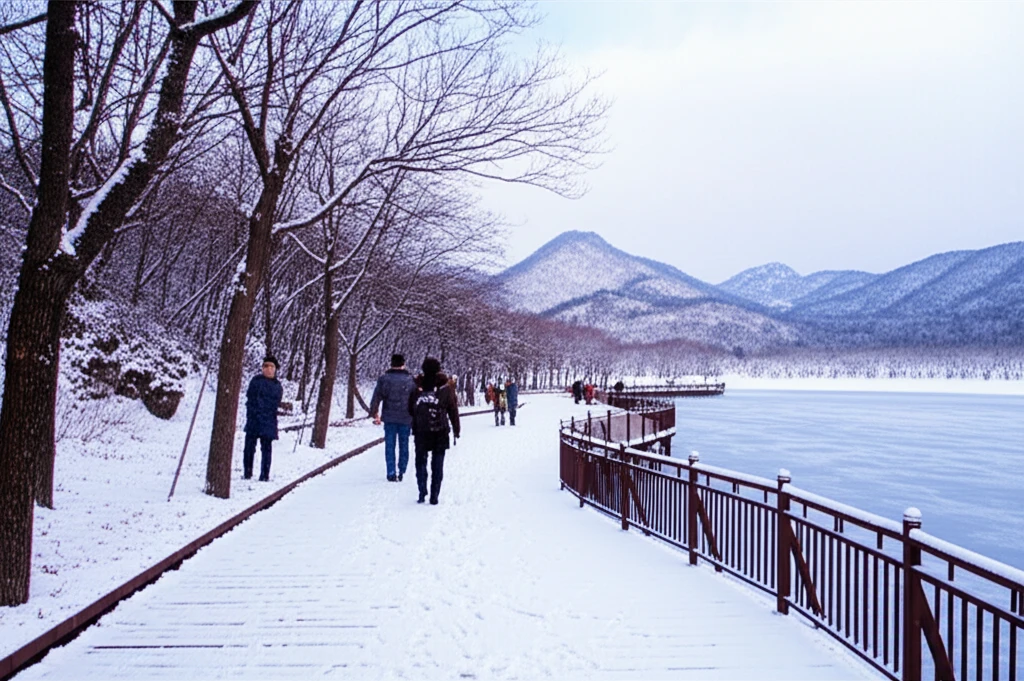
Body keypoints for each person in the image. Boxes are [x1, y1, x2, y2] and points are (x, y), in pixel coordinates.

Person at [408, 356, 460, 505]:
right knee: (438, 462)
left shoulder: (416, 386)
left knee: (420, 461)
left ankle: (422, 491)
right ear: (439, 369)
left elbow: (410, 408)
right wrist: (456, 429)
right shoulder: (446, 388)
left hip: (421, 430)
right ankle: (434, 495)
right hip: (440, 429)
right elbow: (453, 410)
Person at [369, 353, 417, 482]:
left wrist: (374, 412)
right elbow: (414, 399)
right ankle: (402, 470)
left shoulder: (384, 379)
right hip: (406, 417)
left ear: (391, 364)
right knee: (404, 444)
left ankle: (391, 471)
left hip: (389, 417)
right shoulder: (410, 380)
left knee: (389, 445)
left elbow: (377, 396)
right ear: (403, 364)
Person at [243, 355, 284, 481]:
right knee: (249, 448)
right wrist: (253, 412)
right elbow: (250, 398)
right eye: (266, 366)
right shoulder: (255, 381)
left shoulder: (277, 386)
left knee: (266, 449)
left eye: (271, 367)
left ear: (275, 369)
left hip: (268, 421)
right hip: (254, 419)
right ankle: (247, 472)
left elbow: (274, 402)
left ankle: (265, 475)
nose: (268, 369)